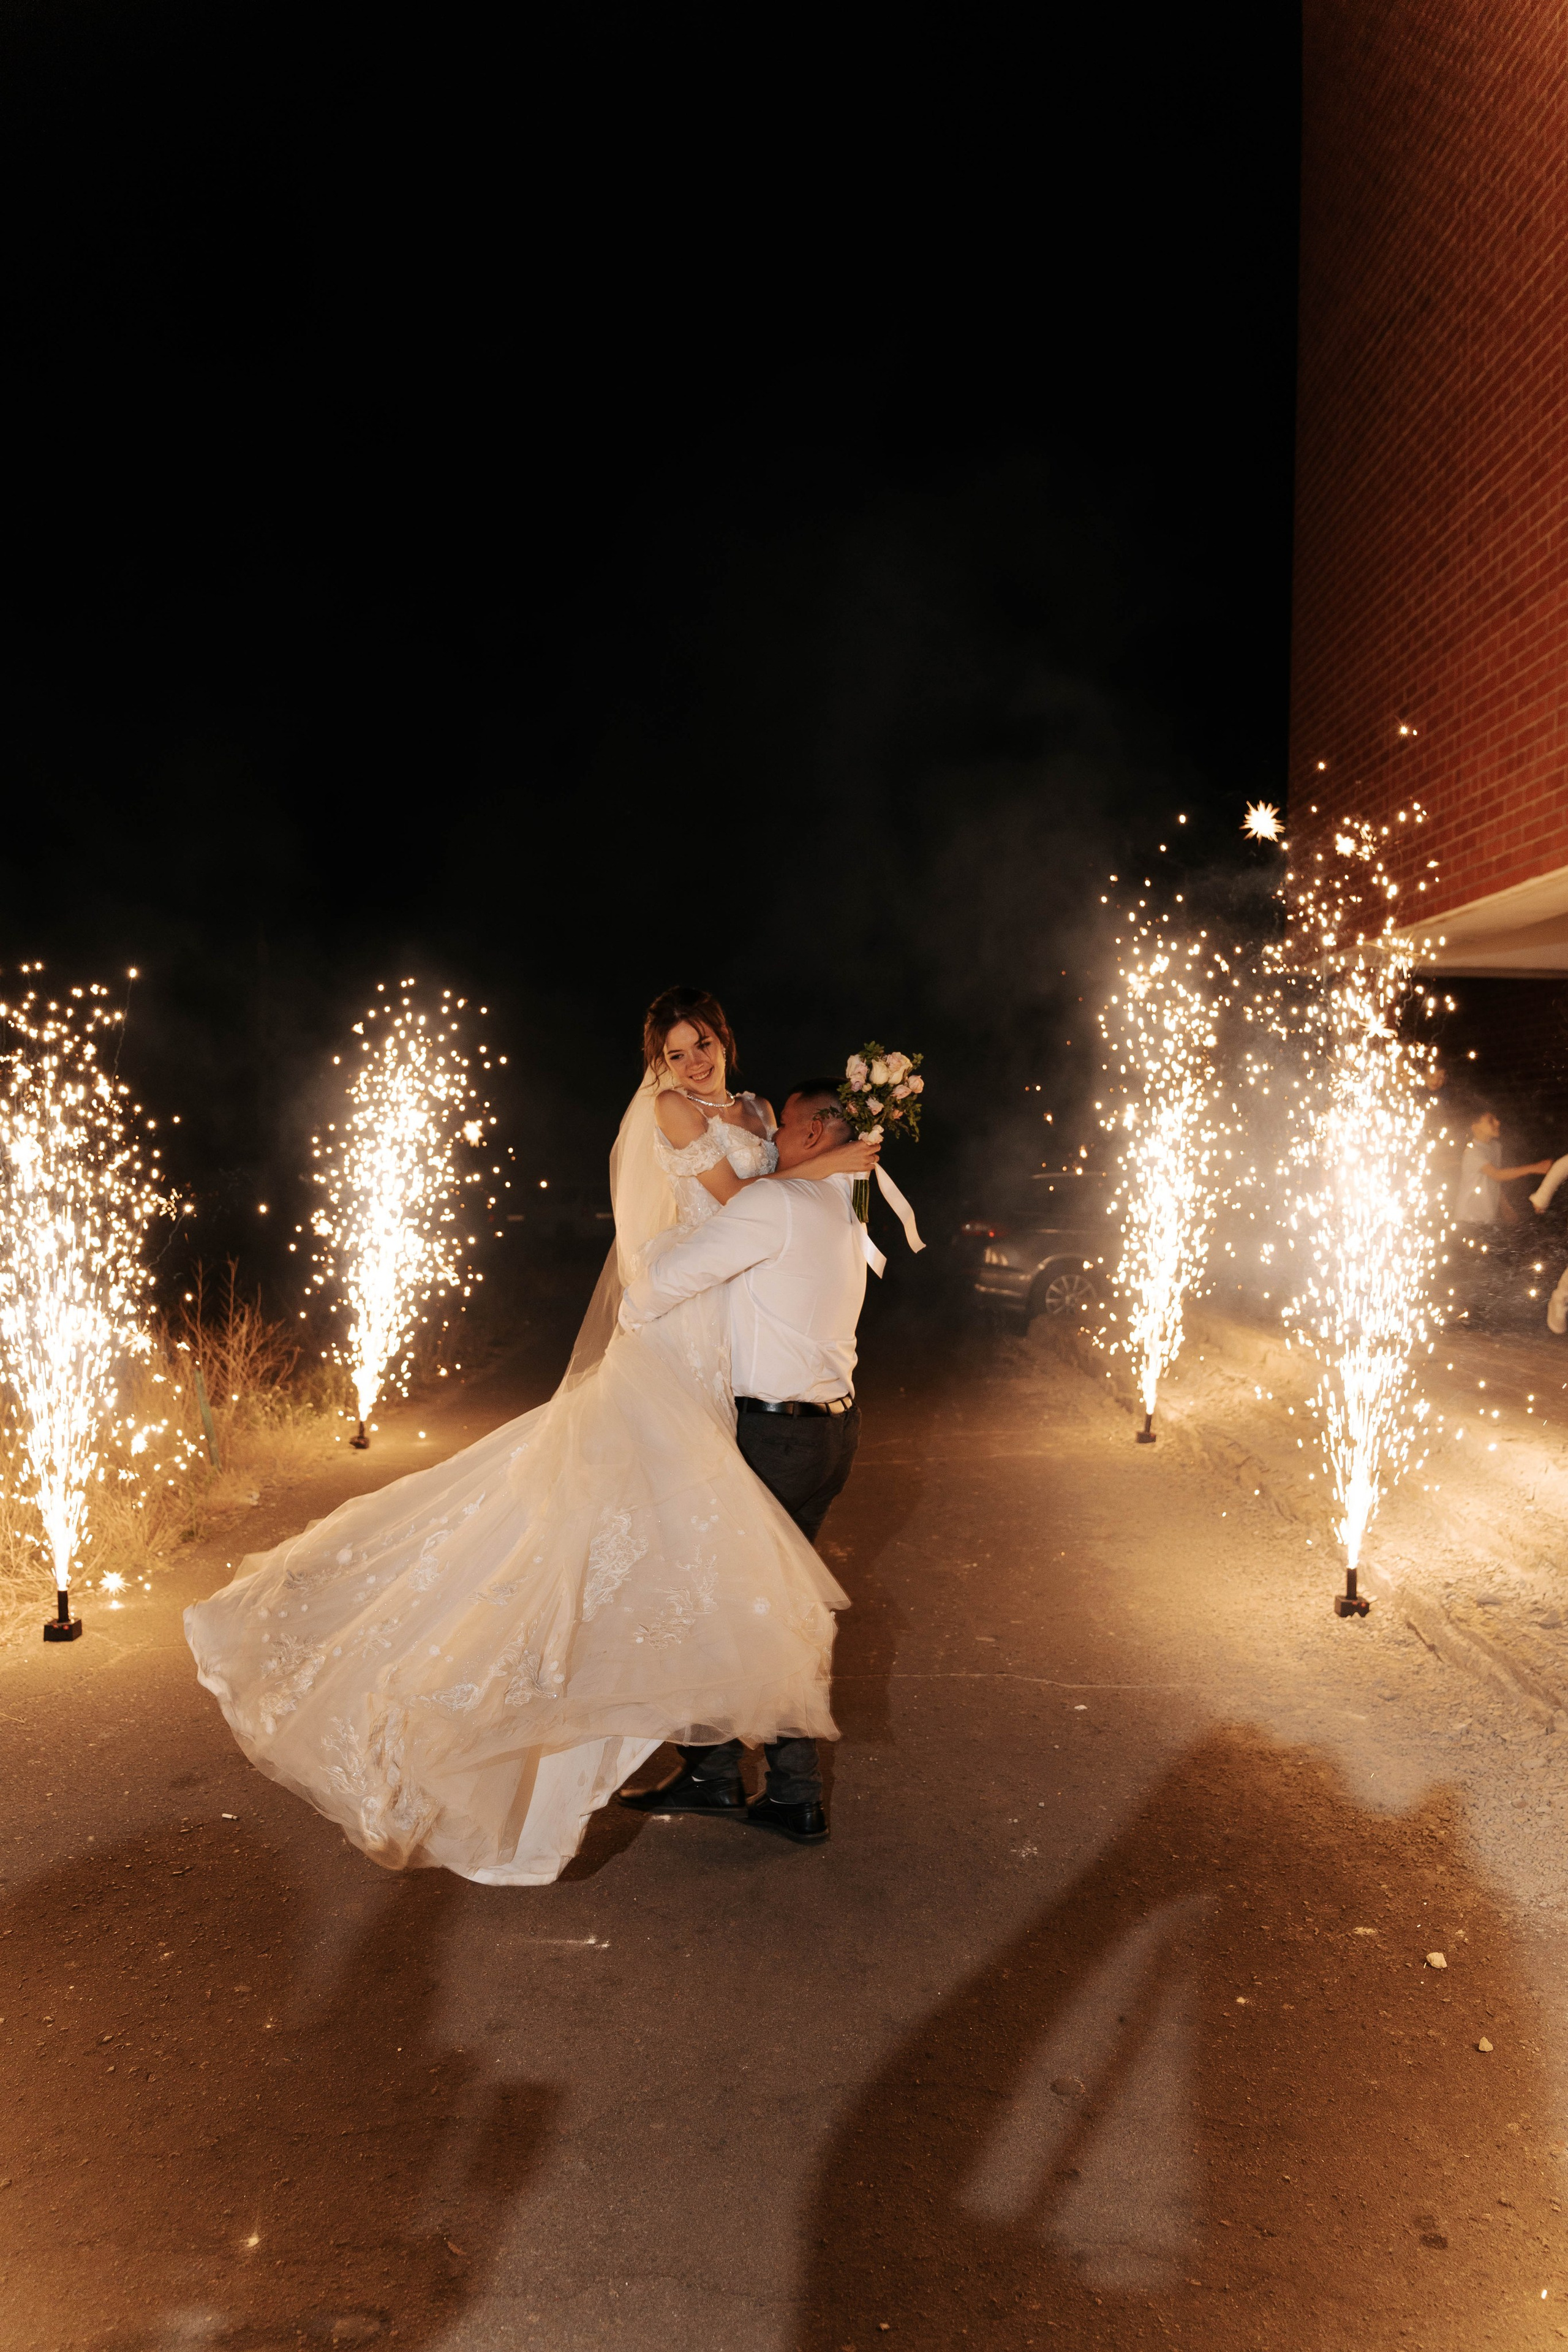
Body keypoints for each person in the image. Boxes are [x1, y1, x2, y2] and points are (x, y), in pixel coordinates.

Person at [184, 987, 877, 1887]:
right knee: (641, 1547)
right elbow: (742, 1201)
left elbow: (775, 1199)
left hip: (726, 1347)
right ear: (658, 1063)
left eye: (701, 1043)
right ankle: (500, 1703)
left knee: (709, 1559)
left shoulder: (751, 1108)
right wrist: (824, 1169)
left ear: (724, 1040)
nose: (693, 1062)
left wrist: (825, 1168)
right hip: (677, 1335)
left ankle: (711, 1766)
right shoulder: (673, 1112)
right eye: (675, 1051)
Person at [617, 1080, 875, 1844]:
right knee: (766, 1602)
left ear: (803, 1137)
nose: (769, 1146)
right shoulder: (840, 1205)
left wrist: (635, 1336)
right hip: (833, 1432)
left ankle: (759, 1784)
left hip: (775, 1439)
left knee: (729, 1601)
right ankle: (728, 1773)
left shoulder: (773, 1205)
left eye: (778, 1134)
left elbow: (663, 1284)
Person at [1453, 1103, 1551, 1226]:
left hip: (1486, 1219)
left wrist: (1505, 1207)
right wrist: (1534, 1168)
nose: (1498, 1123)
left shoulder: (1495, 1147)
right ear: (1476, 1128)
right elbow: (1497, 1175)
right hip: (1468, 1219)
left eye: (1496, 1119)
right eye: (1491, 1121)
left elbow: (1494, 1181)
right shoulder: (1472, 1152)